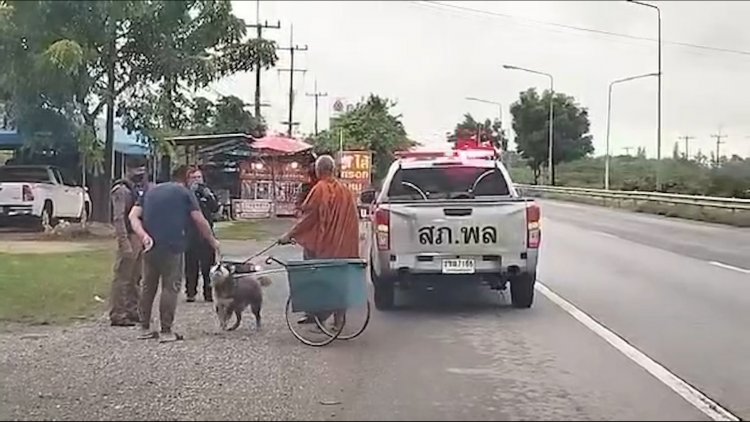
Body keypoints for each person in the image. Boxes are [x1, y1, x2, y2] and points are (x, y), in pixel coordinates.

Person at [128, 165, 220, 343]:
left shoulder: (150, 191)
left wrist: (143, 235)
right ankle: (166, 331)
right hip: (173, 246)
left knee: (148, 287)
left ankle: (144, 328)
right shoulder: (184, 193)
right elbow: (199, 220)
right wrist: (212, 241)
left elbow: (133, 216)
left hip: (150, 246)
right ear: (185, 178)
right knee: (170, 287)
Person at [278, 155, 360, 330]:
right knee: (339, 282)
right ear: (333, 170)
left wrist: (289, 235)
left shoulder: (320, 189)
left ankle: (316, 315)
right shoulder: (345, 191)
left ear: (318, 170)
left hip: (325, 247)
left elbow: (309, 218)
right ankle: (338, 320)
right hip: (343, 246)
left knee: (313, 276)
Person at [109, 156, 150, 327]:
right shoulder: (121, 190)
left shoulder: (140, 189)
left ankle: (133, 310)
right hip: (128, 235)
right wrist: (123, 241)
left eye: (142, 169)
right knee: (123, 278)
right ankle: (118, 313)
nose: (140, 174)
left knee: (136, 278)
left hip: (139, 236)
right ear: (128, 169)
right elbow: (118, 218)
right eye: (136, 170)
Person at [184, 167, 220, 302]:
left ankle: (208, 292)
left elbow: (215, 208)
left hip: (206, 233)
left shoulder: (206, 192)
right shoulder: (185, 194)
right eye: (193, 178)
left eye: (199, 177)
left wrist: (208, 195)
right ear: (188, 180)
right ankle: (191, 292)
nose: (197, 181)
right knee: (191, 265)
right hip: (190, 232)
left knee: (208, 265)